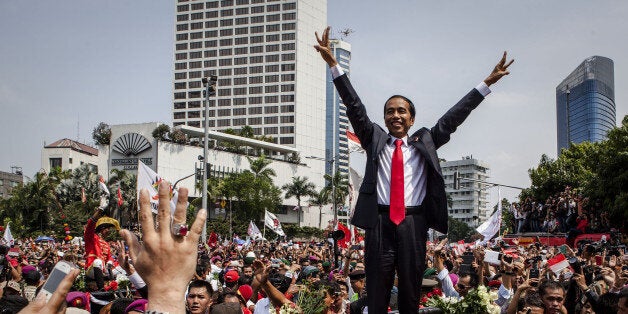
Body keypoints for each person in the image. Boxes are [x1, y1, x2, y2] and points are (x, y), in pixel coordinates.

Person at [314, 26, 514, 312]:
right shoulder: (374, 138)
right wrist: (333, 65)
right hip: (379, 224)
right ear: (384, 118)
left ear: (411, 118)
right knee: (377, 292)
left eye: (401, 111)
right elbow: (354, 106)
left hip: (413, 224)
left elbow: (454, 117)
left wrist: (486, 83)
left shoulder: (426, 141)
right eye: (389, 111)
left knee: (410, 292)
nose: (395, 115)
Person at [84, 206, 120, 290]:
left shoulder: (106, 244)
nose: (109, 231)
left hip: (104, 270)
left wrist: (110, 261)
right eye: (107, 229)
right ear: (102, 229)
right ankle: (101, 288)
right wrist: (100, 210)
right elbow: (90, 226)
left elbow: (109, 257)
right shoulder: (91, 237)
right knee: (98, 261)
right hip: (92, 269)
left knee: (124, 266)